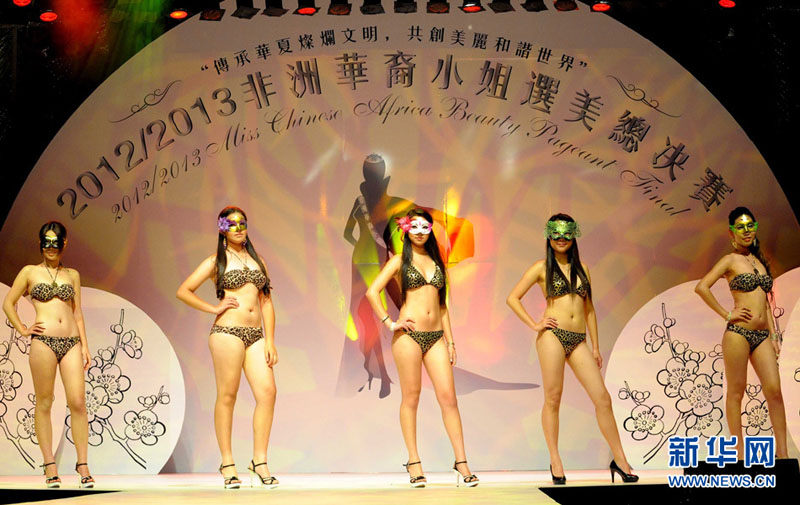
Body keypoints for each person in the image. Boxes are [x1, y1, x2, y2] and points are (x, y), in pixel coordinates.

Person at [506, 214, 638, 484]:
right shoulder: (541, 267)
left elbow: (589, 309)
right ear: (549, 236)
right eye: (556, 234)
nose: (562, 238)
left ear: (574, 235)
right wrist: (535, 324)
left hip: (579, 340)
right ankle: (555, 460)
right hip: (552, 335)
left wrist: (597, 346)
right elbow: (512, 297)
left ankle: (620, 460)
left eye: (567, 234)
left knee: (602, 398)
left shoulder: (583, 269)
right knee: (553, 399)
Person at [366, 208, 479, 487]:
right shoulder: (398, 261)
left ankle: (461, 462)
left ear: (430, 230)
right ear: (406, 230)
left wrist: (451, 341)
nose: (418, 231)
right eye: (413, 226)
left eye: (424, 226)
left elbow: (442, 306)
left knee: (449, 398)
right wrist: (389, 322)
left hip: (436, 336)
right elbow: (372, 291)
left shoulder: (438, 262)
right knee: (411, 398)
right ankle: (414, 462)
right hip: (409, 337)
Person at [176, 207, 279, 489]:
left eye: (242, 223)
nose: (237, 228)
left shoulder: (259, 262)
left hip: (256, 335)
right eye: (230, 224)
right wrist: (214, 308)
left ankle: (259, 461)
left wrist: (270, 340)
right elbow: (184, 290)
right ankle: (228, 462)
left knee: (268, 392)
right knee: (228, 395)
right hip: (227, 332)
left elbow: (266, 303)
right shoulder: (215, 261)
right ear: (222, 228)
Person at [2, 221, 94, 488]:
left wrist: (85, 345)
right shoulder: (30, 272)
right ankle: (49, 465)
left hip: (72, 343)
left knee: (77, 401)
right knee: (44, 402)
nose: (50, 247)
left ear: (64, 243)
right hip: (43, 341)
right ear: (40, 242)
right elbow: (9, 302)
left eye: (56, 242)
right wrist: (22, 329)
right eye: (46, 241)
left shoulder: (72, 275)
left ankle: (83, 464)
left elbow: (77, 312)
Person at [695, 206, 787, 459]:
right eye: (740, 227)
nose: (746, 231)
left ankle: (783, 454)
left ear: (755, 228)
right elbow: (702, 287)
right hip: (738, 333)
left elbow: (766, 302)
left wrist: (774, 335)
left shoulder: (759, 261)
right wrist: (727, 314)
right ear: (731, 233)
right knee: (737, 392)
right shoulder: (729, 260)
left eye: (750, 225)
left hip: (762, 336)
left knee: (775, 391)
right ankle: (738, 454)